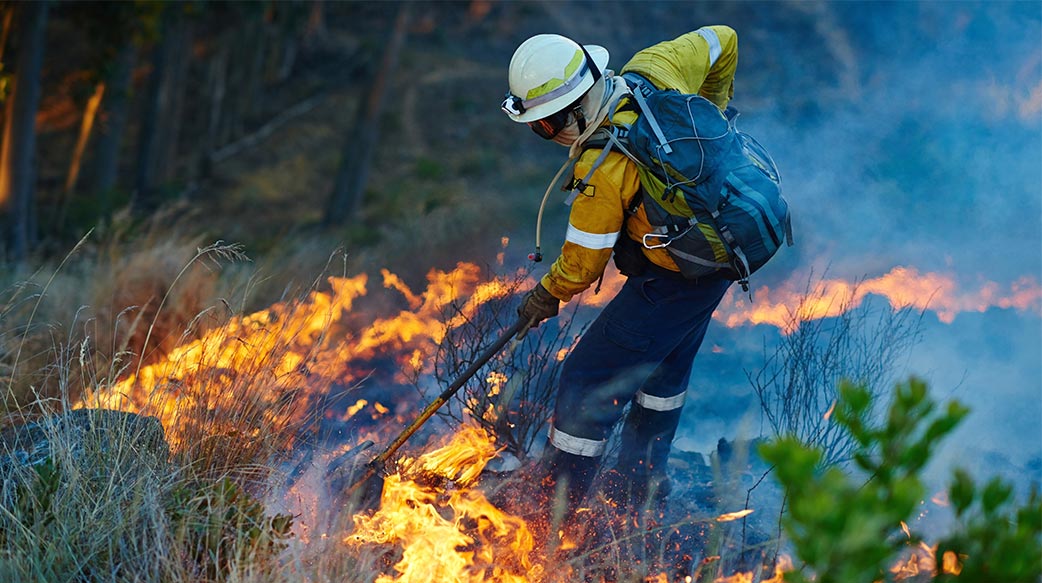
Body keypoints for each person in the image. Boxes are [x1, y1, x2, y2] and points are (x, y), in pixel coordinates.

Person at [501, 27, 740, 517]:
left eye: (545, 126)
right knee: (665, 370)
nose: (545, 136)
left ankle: (554, 508)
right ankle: (639, 489)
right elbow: (724, 39)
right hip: (719, 259)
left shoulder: (602, 170)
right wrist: (713, 114)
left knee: (585, 378)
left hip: (676, 279)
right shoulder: (656, 68)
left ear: (575, 109)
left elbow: (581, 266)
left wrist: (543, 297)